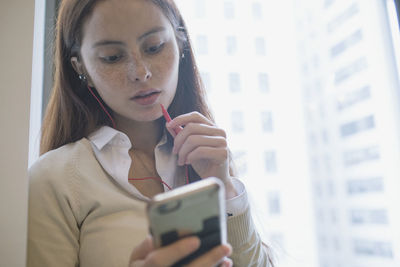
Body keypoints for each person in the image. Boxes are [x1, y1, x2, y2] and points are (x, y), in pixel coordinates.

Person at [27, 0, 271, 266]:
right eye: (112, 57)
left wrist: (225, 187)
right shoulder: (54, 179)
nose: (141, 73)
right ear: (80, 67)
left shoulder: (207, 158)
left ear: (180, 42)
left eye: (154, 47)